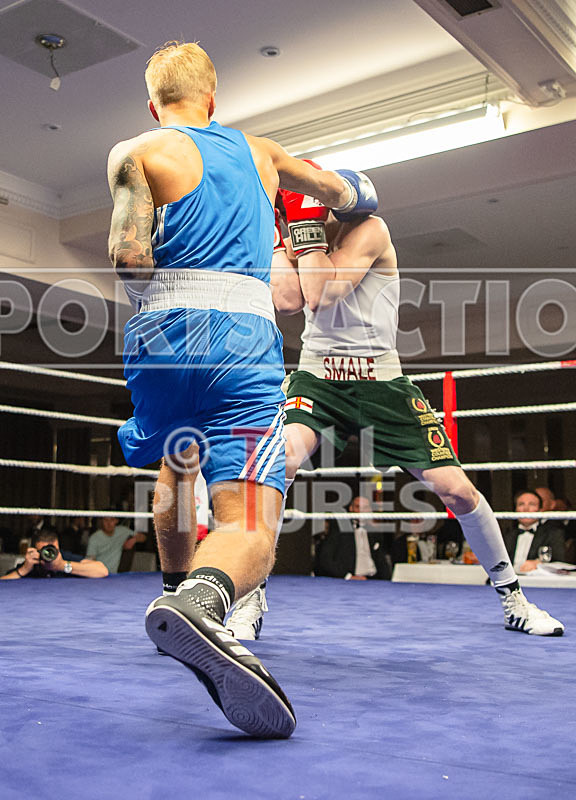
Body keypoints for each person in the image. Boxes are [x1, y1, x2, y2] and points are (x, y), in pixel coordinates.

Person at [107, 41, 375, 738]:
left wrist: (168, 302)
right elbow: (343, 193)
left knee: (177, 459)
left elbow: (128, 258)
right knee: (248, 521)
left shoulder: (135, 152)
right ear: (212, 98)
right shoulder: (261, 151)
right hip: (240, 338)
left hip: (158, 337)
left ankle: (174, 592)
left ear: (153, 106)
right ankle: (201, 601)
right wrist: (356, 194)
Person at [232, 182, 564, 639]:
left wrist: (304, 230)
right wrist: (277, 236)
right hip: (318, 377)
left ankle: (514, 599)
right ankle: (250, 599)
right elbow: (289, 301)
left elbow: (324, 293)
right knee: (277, 461)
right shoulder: (294, 235)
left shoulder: (370, 229)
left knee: (457, 492)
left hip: (382, 382)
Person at [314, 496, 392, 580]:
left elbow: (382, 561)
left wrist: (388, 581)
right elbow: (325, 559)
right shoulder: (339, 529)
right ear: (351, 508)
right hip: (350, 580)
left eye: (365, 507)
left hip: (374, 579)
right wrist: (348, 576)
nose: (362, 511)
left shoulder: (374, 532)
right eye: (358, 507)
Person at [1, 530, 108, 579]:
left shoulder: (64, 558)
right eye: (44, 551)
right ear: (35, 551)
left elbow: (102, 571)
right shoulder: (32, 564)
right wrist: (24, 569)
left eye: (52, 550)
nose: (49, 554)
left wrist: (62, 566)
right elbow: (3, 583)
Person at [502, 490, 566, 571]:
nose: (526, 509)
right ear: (516, 509)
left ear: (540, 510)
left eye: (532, 504)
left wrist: (539, 563)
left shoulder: (553, 534)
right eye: (521, 504)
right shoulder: (507, 535)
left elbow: (560, 563)